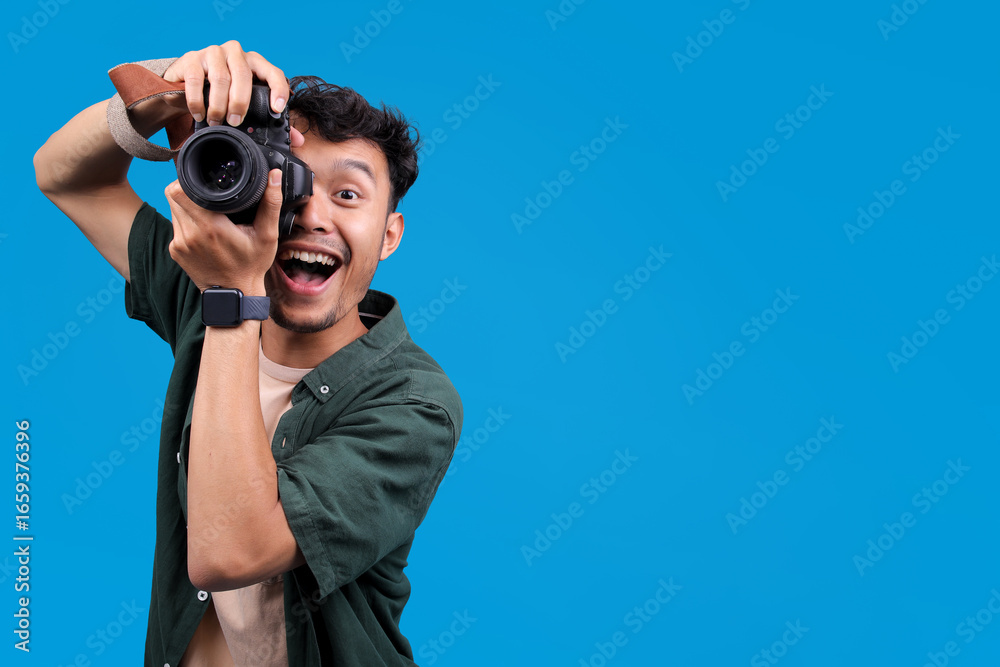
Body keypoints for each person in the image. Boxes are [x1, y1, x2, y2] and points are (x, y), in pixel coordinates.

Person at [33, 41, 462, 666]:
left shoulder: (414, 402)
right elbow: (65, 175)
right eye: (290, 180)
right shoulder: (203, 289)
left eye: (348, 195)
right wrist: (169, 87)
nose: (311, 216)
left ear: (389, 235)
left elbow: (229, 552)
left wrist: (231, 298)